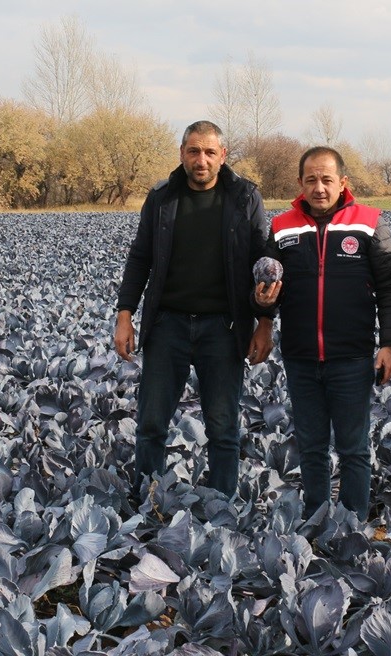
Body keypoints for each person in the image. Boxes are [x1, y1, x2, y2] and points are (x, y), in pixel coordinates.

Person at [114, 120, 273, 500]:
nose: (201, 160)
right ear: (182, 154)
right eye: (193, 151)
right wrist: (125, 315)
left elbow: (261, 263)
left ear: (223, 156)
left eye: (209, 152)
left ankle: (221, 505)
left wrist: (265, 322)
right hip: (167, 323)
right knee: (151, 422)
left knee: (222, 425)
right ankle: (147, 499)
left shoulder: (244, 197)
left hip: (224, 326)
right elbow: (140, 258)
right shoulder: (162, 197)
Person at [253, 147, 391, 520]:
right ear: (300, 183)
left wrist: (389, 344)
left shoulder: (369, 223)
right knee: (311, 446)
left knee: (354, 448)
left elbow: (390, 287)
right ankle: (316, 518)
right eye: (311, 180)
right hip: (301, 356)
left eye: (327, 180)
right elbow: (268, 285)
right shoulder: (282, 227)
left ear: (343, 183)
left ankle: (352, 521)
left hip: (351, 356)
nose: (319, 188)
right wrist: (262, 307)